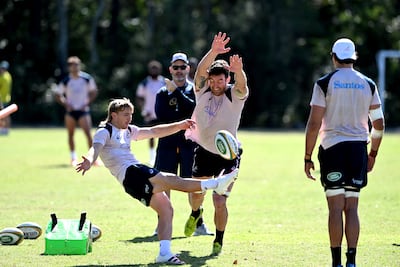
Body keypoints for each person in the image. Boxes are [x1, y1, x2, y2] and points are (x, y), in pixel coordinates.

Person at [75, 98, 239, 265]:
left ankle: (164, 253)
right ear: (113, 115)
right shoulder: (105, 131)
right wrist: (89, 160)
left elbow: (154, 131)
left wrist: (180, 125)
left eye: (131, 114)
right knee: (171, 180)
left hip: (132, 179)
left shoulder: (128, 130)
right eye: (125, 115)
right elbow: (95, 147)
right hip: (131, 173)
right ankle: (216, 184)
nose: (129, 118)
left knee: (166, 209)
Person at [304, 38, 384, 267]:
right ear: (354, 57)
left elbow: (313, 124)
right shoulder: (368, 83)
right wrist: (373, 154)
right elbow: (379, 124)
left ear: (333, 57)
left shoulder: (324, 83)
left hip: (332, 150)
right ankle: (352, 261)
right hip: (358, 149)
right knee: (352, 207)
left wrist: (307, 157)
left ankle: (336, 262)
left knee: (335, 208)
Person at [184, 32, 249, 255]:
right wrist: (213, 51)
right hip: (204, 151)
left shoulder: (234, 95)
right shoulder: (202, 90)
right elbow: (201, 71)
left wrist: (238, 70)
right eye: (213, 80)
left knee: (219, 200)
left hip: (229, 154)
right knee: (195, 195)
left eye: (220, 80)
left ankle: (218, 240)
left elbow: (242, 84)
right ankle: (195, 214)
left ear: (226, 79)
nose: (215, 84)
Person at [154, 52, 213, 237]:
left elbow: (194, 110)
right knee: (163, 184)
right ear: (170, 69)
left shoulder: (195, 90)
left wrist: (176, 93)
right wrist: (173, 95)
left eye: (182, 67)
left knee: (194, 184)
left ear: (189, 68)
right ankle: (162, 224)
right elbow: (162, 117)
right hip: (167, 145)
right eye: (175, 67)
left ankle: (198, 223)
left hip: (190, 145)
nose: (179, 71)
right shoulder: (162, 92)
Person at [55, 56, 98, 166]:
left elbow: (94, 92)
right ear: (69, 67)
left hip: (83, 111)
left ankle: (92, 158)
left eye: (77, 65)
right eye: (72, 66)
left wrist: (87, 103)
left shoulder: (86, 78)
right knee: (70, 134)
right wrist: (66, 104)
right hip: (71, 112)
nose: (75, 68)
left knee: (88, 135)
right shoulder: (66, 80)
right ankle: (73, 158)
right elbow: (58, 95)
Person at [136, 60, 165, 165]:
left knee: (164, 135)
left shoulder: (164, 82)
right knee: (151, 135)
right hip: (150, 113)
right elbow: (139, 97)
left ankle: (163, 155)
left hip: (162, 113)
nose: (154, 71)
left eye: (156, 69)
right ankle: (152, 156)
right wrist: (143, 110)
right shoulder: (145, 83)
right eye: (152, 69)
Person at [0, 61, 13, 135]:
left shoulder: (3, 77)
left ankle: (5, 129)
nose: (2, 70)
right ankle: (5, 129)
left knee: (4, 115)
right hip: (6, 98)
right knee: (6, 115)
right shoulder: (8, 76)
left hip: (3, 99)